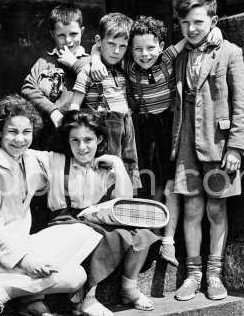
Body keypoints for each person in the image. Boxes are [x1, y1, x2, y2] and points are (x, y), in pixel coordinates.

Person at [0, 110, 162, 313]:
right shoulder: (54, 160)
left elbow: (124, 201)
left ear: (99, 139)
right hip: (66, 221)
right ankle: (86, 298)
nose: (82, 147)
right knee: (96, 236)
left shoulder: (106, 166)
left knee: (143, 235)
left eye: (88, 140)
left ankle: (129, 287)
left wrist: (118, 164)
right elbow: (20, 149)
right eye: (75, 140)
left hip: (99, 219)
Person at [88, 16, 222, 267]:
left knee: (173, 180)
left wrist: (214, 31)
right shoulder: (128, 65)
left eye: (150, 48)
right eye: (137, 48)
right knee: (151, 180)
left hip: (173, 125)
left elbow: (190, 39)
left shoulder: (168, 57)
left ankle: (168, 241)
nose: (144, 54)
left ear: (161, 46)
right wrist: (95, 56)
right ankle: (152, 235)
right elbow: (99, 46)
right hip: (144, 125)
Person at [0, 95, 102, 316]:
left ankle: (15, 295)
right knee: (70, 276)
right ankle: (0, 294)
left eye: (26, 132)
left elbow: (76, 157)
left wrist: (115, 162)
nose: (20, 139)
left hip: (23, 245)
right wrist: (25, 261)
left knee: (78, 270)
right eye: (12, 132)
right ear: (0, 131)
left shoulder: (29, 159)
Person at [170, 0, 244, 301]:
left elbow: (242, 105)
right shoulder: (178, 55)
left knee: (217, 208)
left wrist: (236, 148)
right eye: (185, 23)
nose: (192, 28)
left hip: (219, 145)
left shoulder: (230, 52)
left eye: (199, 22)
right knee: (192, 208)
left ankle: (214, 276)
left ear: (214, 20)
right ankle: (193, 274)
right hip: (186, 142)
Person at [69, 13, 140, 188]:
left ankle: (128, 202)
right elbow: (74, 105)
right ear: (99, 41)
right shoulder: (89, 71)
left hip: (126, 126)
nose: (117, 51)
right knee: (106, 172)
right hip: (104, 128)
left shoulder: (124, 68)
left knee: (129, 167)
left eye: (123, 46)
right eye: (111, 44)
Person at [20, 3, 91, 150]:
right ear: (52, 34)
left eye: (73, 34)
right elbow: (28, 88)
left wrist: (74, 64)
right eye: (61, 35)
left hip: (82, 138)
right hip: (50, 134)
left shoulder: (90, 61)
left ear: (82, 31)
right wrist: (52, 110)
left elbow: (97, 85)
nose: (68, 40)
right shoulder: (45, 62)